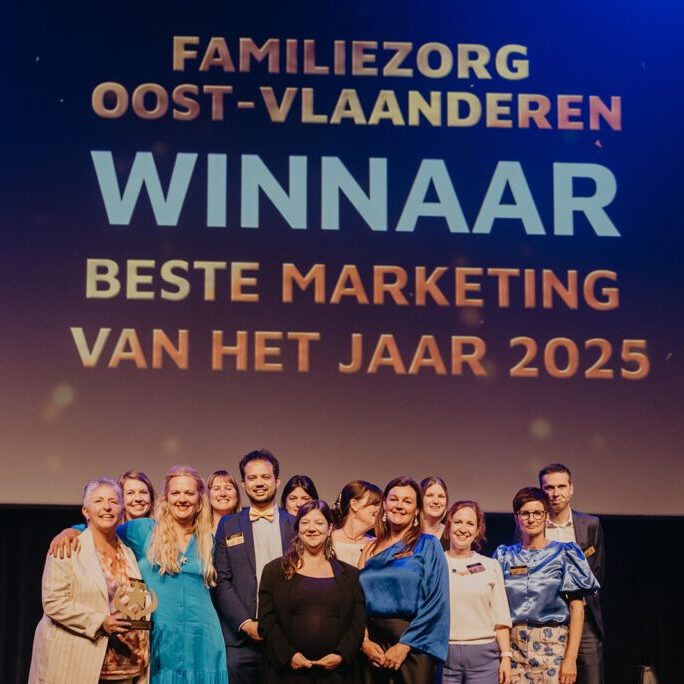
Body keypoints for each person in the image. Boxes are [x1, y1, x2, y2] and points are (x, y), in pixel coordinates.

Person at [49, 465, 228, 683]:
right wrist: (70, 531)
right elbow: (104, 526)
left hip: (203, 639)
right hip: (161, 639)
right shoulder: (143, 531)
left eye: (189, 493)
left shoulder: (209, 541)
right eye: (175, 493)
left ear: (200, 500)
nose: (182, 499)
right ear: (166, 498)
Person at [30, 478, 149, 683]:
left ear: (122, 510)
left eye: (113, 501)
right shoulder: (67, 547)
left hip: (123, 668)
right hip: (77, 663)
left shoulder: (128, 553)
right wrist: (101, 621)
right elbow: (54, 602)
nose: (107, 507)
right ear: (86, 511)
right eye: (98, 501)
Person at [494, 488, 599, 684]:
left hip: (553, 648)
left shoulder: (564, 553)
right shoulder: (504, 556)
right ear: (516, 518)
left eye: (537, 513)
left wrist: (570, 659)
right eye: (525, 513)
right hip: (513, 649)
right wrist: (504, 654)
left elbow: (577, 608)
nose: (531, 519)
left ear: (546, 516)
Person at [258, 501, 366, 683]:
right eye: (305, 522)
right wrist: (288, 656)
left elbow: (358, 621)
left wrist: (341, 655)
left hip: (337, 676)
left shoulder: (350, 575)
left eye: (319, 522)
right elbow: (267, 621)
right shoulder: (274, 571)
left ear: (329, 528)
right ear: (298, 528)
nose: (311, 528)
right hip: (287, 674)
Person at [213, 449, 297, 684]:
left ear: (277, 481)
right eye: (252, 478)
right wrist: (245, 623)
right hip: (241, 641)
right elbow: (221, 580)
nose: (259, 483)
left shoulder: (296, 525)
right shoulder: (228, 525)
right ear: (243, 483)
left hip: (288, 637)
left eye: (265, 477)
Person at [359, 476, 449, 683]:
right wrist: (364, 641)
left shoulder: (428, 545)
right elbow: (357, 599)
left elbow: (437, 601)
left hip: (414, 644)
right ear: (384, 504)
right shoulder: (370, 547)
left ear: (417, 510)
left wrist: (405, 645)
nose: (399, 506)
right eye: (394, 499)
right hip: (373, 647)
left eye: (407, 501)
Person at [539, 464, 605, 684]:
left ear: (571, 488)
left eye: (561, 486)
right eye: (549, 487)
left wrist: (577, 604)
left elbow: (597, 572)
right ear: (541, 491)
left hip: (585, 619)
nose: (555, 493)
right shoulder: (533, 525)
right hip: (548, 619)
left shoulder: (590, 525)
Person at [442, 500, 512, 684]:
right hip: (443, 655)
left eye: (470, 523)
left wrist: (506, 656)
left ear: (478, 530)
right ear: (448, 526)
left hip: (484, 659)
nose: (463, 529)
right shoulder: (436, 563)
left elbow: (500, 616)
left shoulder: (491, 566)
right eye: (458, 522)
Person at [330, 480, 382, 566]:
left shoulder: (377, 545)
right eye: (375, 504)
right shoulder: (327, 540)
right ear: (354, 505)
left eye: (381, 505)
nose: (380, 509)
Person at [208, 469, 242, 534]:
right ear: (208, 496)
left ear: (237, 496)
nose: (223, 494)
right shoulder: (197, 531)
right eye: (216, 489)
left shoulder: (248, 527)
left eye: (228, 488)